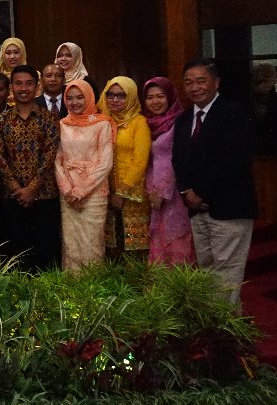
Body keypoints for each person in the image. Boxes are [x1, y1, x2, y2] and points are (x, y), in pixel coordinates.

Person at [173, 59, 257, 305]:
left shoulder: (234, 113)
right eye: (188, 82)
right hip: (196, 210)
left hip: (229, 208)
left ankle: (223, 332)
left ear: (216, 82)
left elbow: (235, 162)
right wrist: (186, 192)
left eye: (201, 81)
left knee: (228, 272)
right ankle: (219, 329)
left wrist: (203, 193)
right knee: (208, 271)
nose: (194, 87)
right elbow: (178, 160)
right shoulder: (184, 119)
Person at [0, 65, 61, 271]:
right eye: (18, 83)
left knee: (47, 250)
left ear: (37, 86)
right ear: (12, 87)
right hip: (13, 196)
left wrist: (32, 188)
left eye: (29, 83)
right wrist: (17, 188)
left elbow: (50, 155)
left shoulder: (49, 119)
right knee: (19, 251)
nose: (24, 88)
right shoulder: (1, 120)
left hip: (45, 194)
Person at [55, 81, 115, 271]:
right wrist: (67, 190)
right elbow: (57, 161)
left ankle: (94, 291)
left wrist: (81, 190)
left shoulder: (102, 123)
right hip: (68, 195)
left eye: (80, 97)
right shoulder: (62, 124)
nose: (74, 102)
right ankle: (72, 293)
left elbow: (105, 163)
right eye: (70, 98)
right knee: (71, 244)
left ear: (89, 97)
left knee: (92, 244)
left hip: (94, 194)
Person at [141, 76, 194, 264]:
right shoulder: (147, 123)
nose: (155, 102)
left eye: (160, 96)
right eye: (150, 97)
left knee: (177, 240)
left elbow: (178, 160)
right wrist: (151, 191)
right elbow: (149, 162)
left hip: (176, 193)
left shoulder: (180, 122)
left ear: (170, 97)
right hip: (154, 191)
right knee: (158, 238)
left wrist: (162, 192)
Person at [100, 76, 152, 260]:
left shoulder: (139, 122)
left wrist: (122, 193)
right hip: (105, 192)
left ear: (130, 97)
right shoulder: (103, 121)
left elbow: (140, 161)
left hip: (131, 194)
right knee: (111, 246)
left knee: (133, 246)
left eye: (121, 96)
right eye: (110, 95)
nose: (115, 100)